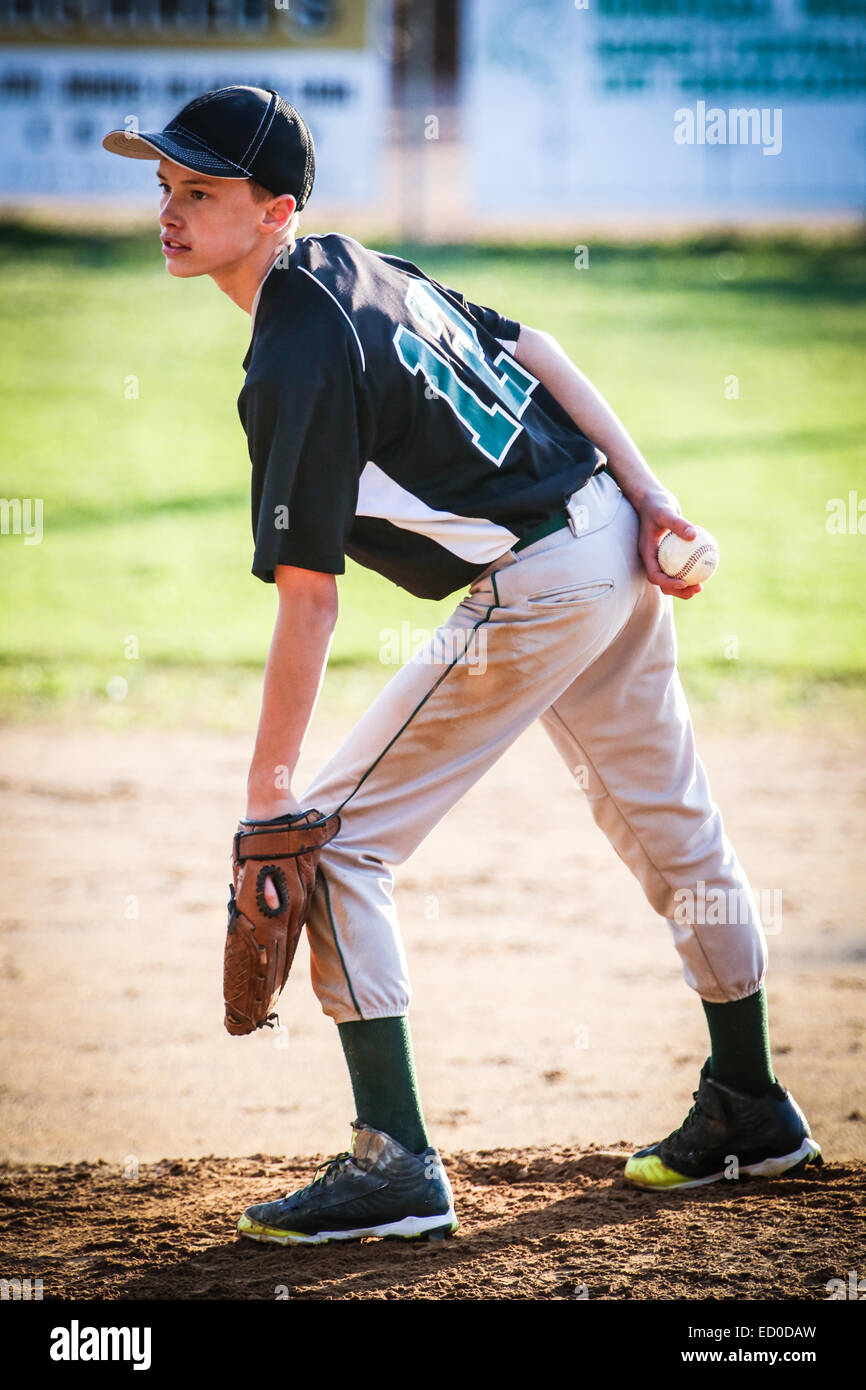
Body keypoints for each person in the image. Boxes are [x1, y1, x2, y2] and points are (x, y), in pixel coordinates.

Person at [102, 86, 822, 1246]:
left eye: (202, 192)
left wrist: (267, 792)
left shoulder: (294, 344)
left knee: (328, 845)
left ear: (275, 209)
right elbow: (533, 345)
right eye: (166, 187)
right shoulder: (352, 266)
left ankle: (393, 1163)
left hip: (541, 584)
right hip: (599, 541)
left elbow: (310, 598)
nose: (171, 212)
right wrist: (646, 497)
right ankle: (749, 1101)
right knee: (672, 825)